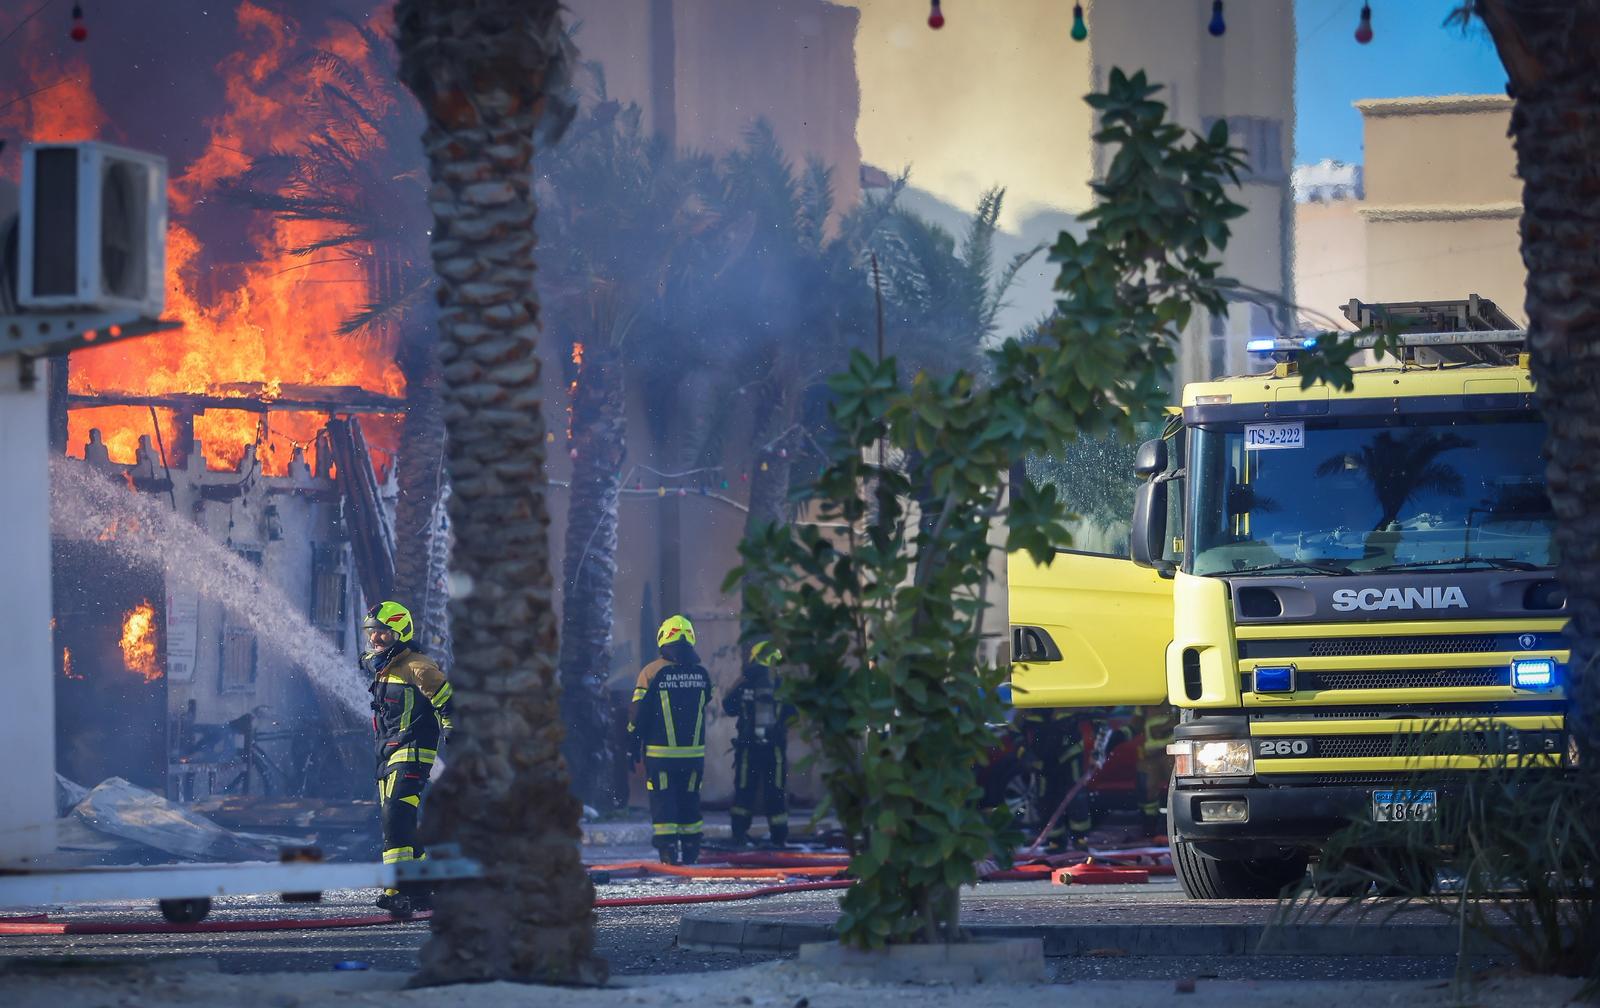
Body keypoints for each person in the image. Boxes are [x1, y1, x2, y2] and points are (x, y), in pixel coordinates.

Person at [363, 600, 452, 916]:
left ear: (400, 633)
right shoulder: (385, 667)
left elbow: (447, 700)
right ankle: (421, 888)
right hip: (387, 754)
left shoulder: (417, 666)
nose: (376, 639)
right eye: (372, 633)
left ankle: (396, 887)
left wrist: (452, 730)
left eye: (384, 634)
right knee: (400, 820)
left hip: (412, 752)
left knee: (395, 817)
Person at [628, 615, 713, 865]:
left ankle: (668, 854)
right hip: (693, 756)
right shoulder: (702, 673)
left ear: (664, 639)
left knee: (663, 802)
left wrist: (633, 743)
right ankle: (691, 851)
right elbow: (707, 700)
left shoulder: (652, 672)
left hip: (660, 755)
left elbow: (638, 712)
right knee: (690, 801)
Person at [723, 641, 795, 847]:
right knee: (776, 792)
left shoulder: (746, 683)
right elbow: (793, 716)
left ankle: (739, 835)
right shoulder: (782, 686)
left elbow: (728, 707)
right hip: (775, 750)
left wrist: (740, 682)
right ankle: (779, 838)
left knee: (745, 791)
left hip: (748, 749)